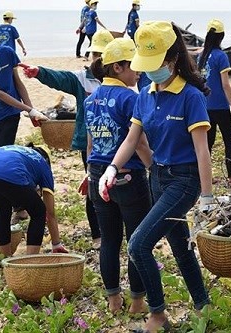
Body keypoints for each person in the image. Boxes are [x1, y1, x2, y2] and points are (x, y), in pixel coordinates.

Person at [99, 21, 212, 332]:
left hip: (184, 180)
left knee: (137, 245)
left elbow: (202, 151)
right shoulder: (145, 94)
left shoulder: (191, 97)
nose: (148, 72)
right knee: (179, 244)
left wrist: (207, 196)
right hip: (157, 178)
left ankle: (158, 315)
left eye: (155, 65)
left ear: (172, 60)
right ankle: (203, 305)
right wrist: (111, 168)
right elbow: (132, 139)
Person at [18, 30, 115, 250]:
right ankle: (97, 233)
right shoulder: (82, 79)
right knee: (93, 184)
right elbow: (61, 77)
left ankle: (114, 229)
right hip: (91, 143)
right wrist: (39, 72)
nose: (96, 59)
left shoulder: (122, 79)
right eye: (94, 54)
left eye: (101, 54)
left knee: (117, 186)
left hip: (117, 143)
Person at [85, 37, 152, 314]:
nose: (138, 70)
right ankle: (137, 300)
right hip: (127, 176)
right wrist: (154, 168)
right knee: (137, 240)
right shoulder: (131, 98)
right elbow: (139, 142)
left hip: (97, 175)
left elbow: (91, 143)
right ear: (117, 68)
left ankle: (113, 298)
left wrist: (90, 173)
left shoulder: (90, 101)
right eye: (132, 65)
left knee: (109, 240)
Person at [0, 144, 68, 256]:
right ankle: (30, 260)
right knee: (39, 212)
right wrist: (56, 244)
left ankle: (5, 258)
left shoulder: (18, 150)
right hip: (9, 173)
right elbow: (50, 212)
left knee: (3, 209)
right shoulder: (42, 163)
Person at [0, 27, 47, 150]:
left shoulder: (7, 53)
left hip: (11, 112)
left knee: (4, 152)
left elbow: (18, 83)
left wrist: (32, 111)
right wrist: (29, 110)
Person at [198, 19, 231, 188]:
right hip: (220, 107)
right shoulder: (221, 56)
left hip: (205, 106)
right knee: (228, 141)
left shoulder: (202, 56)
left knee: (206, 144)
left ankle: (205, 178)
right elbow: (225, 84)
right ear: (221, 36)